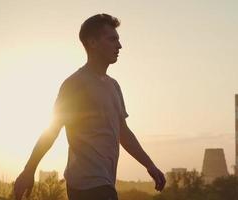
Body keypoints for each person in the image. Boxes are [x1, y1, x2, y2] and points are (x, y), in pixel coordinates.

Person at [14, 13, 166, 200]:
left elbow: (123, 132)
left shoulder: (114, 86)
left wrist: (150, 165)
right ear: (92, 43)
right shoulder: (75, 84)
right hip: (87, 184)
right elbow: (52, 130)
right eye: (112, 39)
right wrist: (29, 171)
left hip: (104, 182)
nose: (119, 46)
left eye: (118, 40)